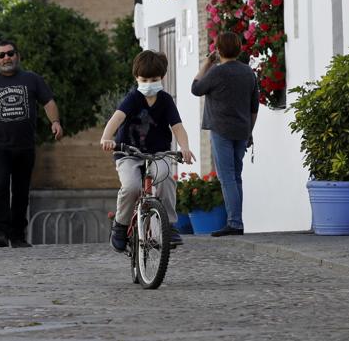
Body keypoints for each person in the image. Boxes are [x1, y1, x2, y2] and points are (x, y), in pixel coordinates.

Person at [0, 39, 63, 248]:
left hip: (25, 147)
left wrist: (55, 122)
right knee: (0, 186)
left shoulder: (32, 79)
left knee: (20, 191)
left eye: (10, 53)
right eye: (1, 55)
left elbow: (48, 102)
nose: (6, 58)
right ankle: (1, 232)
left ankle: (18, 235)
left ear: (17, 56)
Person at [99, 50, 196, 252]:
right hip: (128, 152)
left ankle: (168, 226)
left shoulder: (166, 100)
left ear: (162, 77)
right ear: (136, 78)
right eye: (144, 79)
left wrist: (184, 147)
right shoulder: (133, 98)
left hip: (158, 153)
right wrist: (107, 137)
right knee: (132, 187)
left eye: (154, 79)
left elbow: (177, 127)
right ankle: (120, 226)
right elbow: (116, 118)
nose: (149, 83)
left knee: (165, 178)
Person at [190, 30, 258, 237]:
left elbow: (195, 88)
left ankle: (235, 223)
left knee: (227, 177)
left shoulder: (217, 72)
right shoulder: (248, 73)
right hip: (242, 129)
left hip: (221, 130)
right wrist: (249, 132)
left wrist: (207, 63)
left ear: (218, 50)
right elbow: (254, 107)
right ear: (239, 48)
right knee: (236, 177)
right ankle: (237, 221)